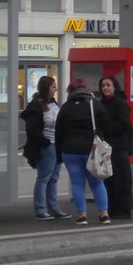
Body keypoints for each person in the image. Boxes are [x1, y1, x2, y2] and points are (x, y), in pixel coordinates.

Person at [54, 79, 113, 225]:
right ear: (86, 89)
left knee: (77, 184)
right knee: (97, 183)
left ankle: (82, 215)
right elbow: (107, 127)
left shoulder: (66, 107)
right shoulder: (95, 105)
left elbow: (58, 133)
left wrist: (59, 155)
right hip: (91, 150)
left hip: (70, 151)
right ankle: (104, 214)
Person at [20, 76, 69, 220]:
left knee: (53, 178)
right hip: (47, 146)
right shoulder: (35, 106)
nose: (56, 89)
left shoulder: (53, 104)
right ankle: (40, 209)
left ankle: (54, 208)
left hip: (57, 145)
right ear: (46, 88)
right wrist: (46, 142)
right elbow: (32, 130)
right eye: (53, 87)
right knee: (44, 178)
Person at [99, 75, 133, 219]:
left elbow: (123, 124)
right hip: (106, 145)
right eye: (103, 86)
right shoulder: (101, 104)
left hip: (119, 146)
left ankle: (124, 208)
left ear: (114, 87)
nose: (105, 88)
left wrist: (107, 129)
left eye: (108, 85)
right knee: (109, 178)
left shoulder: (120, 103)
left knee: (122, 178)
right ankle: (112, 207)